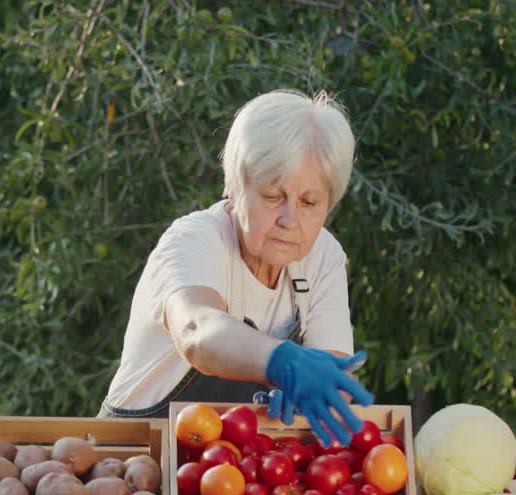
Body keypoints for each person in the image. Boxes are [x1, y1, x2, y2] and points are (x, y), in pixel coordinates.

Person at [99, 89, 373, 447]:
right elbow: (197, 330)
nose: (290, 219)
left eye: (309, 202)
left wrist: (316, 396)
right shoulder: (194, 239)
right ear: (234, 187)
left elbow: (332, 372)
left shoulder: (324, 256)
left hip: (234, 471)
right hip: (132, 458)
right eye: (273, 196)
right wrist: (281, 361)